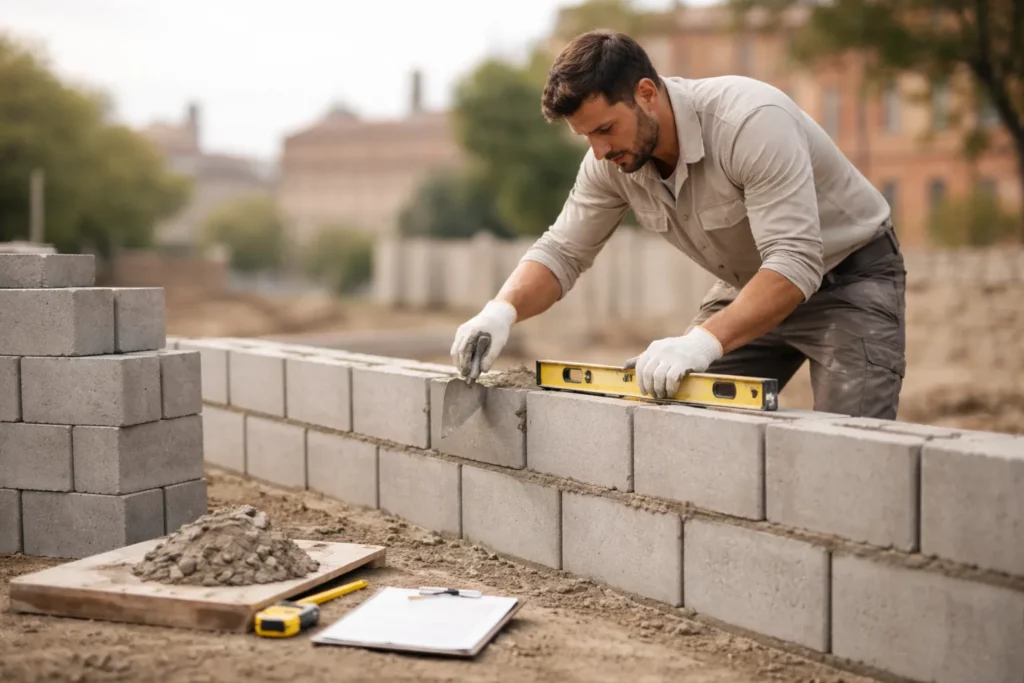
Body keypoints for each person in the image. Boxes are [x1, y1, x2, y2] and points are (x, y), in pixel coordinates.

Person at [450, 29, 907, 419]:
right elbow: (563, 252)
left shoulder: (749, 122)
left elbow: (795, 262)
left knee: (851, 455)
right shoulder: (611, 162)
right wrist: (500, 312)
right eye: (586, 136)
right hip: (752, 285)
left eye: (606, 129)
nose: (599, 150)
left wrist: (700, 343)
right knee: (677, 421)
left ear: (646, 93)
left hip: (848, 282)